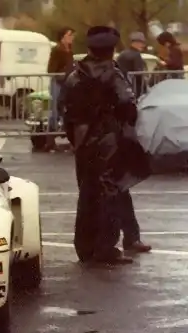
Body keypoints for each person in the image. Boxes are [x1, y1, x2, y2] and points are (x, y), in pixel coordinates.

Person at [59, 26, 150, 265]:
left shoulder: (74, 75)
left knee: (88, 194)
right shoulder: (112, 74)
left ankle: (86, 247)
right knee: (111, 192)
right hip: (108, 141)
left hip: (83, 143)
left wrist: (77, 137)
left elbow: (65, 110)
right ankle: (105, 248)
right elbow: (128, 106)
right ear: (111, 50)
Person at [115, 32, 153, 254]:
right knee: (119, 191)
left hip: (93, 148)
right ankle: (129, 237)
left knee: (96, 194)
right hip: (112, 143)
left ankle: (96, 245)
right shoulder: (115, 78)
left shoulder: (81, 77)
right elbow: (128, 110)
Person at [41, 27, 75, 152]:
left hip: (67, 84)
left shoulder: (69, 50)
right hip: (58, 83)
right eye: (69, 35)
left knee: (67, 111)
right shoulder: (57, 50)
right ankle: (49, 141)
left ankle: (70, 141)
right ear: (63, 37)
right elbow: (51, 69)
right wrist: (62, 74)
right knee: (54, 111)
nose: (72, 37)